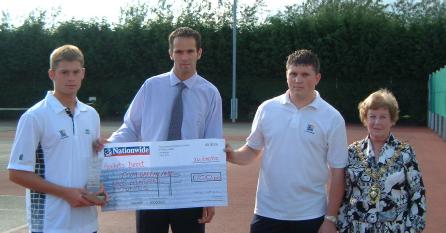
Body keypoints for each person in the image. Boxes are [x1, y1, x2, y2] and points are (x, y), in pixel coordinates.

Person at [107, 27, 223, 233]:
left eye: (190, 51)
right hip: (150, 184)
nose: (184, 57)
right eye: (179, 51)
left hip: (189, 189)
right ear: (171, 53)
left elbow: (211, 144)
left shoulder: (210, 93)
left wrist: (210, 195)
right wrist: (109, 147)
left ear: (199, 53)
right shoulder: (150, 86)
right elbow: (131, 127)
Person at [225, 49, 348, 233]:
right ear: (286, 75)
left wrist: (330, 218)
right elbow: (251, 150)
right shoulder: (267, 109)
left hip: (310, 214)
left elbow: (338, 171)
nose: (298, 80)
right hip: (267, 212)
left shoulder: (332, 118)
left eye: (305, 74)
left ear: (317, 78)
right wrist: (231, 155)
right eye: (293, 74)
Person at [8, 44, 105, 233]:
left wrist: (98, 189)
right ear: (52, 74)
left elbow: (94, 162)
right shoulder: (34, 116)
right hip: (50, 223)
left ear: (83, 73)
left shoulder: (91, 114)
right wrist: (65, 194)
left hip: (87, 224)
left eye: (76, 72)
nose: (71, 78)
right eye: (64, 72)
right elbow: (17, 173)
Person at [337, 89, 426, 233]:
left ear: (392, 120)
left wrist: (413, 229)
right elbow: (344, 194)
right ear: (365, 119)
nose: (377, 122)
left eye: (383, 117)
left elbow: (417, 194)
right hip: (357, 228)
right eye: (372, 116)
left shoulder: (405, 152)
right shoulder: (352, 152)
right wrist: (342, 226)